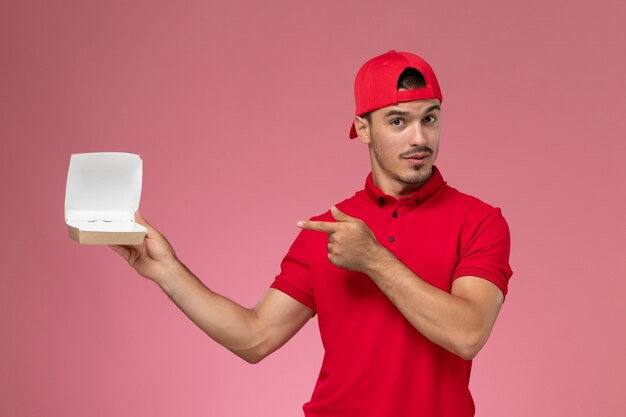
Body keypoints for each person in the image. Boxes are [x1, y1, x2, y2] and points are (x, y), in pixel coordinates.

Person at [110, 50, 513, 417]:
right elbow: (255, 337)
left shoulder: (479, 221)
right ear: (364, 128)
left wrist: (372, 259)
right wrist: (167, 271)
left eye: (430, 118)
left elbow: (467, 334)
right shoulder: (329, 229)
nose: (419, 138)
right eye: (397, 121)